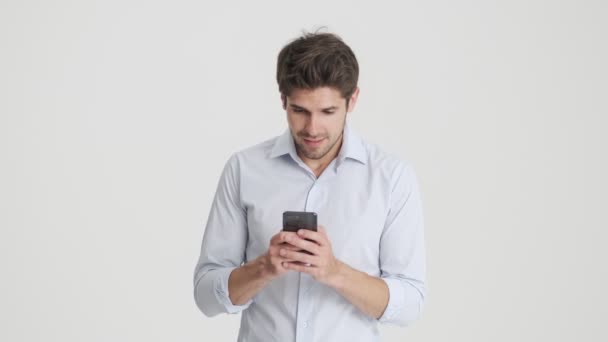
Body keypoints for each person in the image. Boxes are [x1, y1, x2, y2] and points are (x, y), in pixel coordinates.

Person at [193, 31, 426, 342]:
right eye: (299, 110)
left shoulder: (391, 177)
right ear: (283, 100)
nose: (312, 128)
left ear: (352, 100)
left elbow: (411, 303)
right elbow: (206, 296)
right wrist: (263, 268)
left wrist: (333, 272)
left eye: (328, 112)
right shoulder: (244, 169)